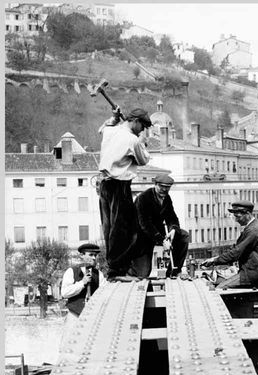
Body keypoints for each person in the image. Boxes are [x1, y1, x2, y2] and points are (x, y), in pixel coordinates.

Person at [97, 106, 152, 281]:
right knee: (123, 230)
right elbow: (143, 160)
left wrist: (114, 118)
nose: (143, 130)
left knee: (109, 228)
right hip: (120, 186)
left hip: (104, 185)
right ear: (135, 122)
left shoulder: (110, 131)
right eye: (142, 126)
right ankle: (118, 272)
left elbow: (103, 127)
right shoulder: (132, 140)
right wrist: (142, 141)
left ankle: (115, 269)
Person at [200, 200, 258, 289]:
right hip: (254, 272)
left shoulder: (254, 230)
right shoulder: (252, 227)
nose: (236, 220)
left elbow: (236, 252)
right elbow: (236, 249)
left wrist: (215, 261)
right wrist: (215, 258)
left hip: (252, 274)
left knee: (220, 289)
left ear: (247, 213)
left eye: (238, 216)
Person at [131, 174, 189, 279]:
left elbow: (172, 217)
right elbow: (145, 224)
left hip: (157, 232)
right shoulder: (143, 198)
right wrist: (163, 240)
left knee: (183, 236)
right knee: (142, 274)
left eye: (167, 187)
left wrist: (173, 230)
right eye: (161, 186)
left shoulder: (166, 198)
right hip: (141, 237)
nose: (164, 189)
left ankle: (174, 271)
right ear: (155, 184)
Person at [60, 243, 104, 349]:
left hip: (92, 317)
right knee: (68, 345)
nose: (94, 258)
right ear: (82, 256)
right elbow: (64, 293)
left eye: (95, 255)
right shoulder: (71, 272)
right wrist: (82, 283)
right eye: (91, 255)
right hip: (74, 315)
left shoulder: (99, 275)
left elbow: (103, 295)